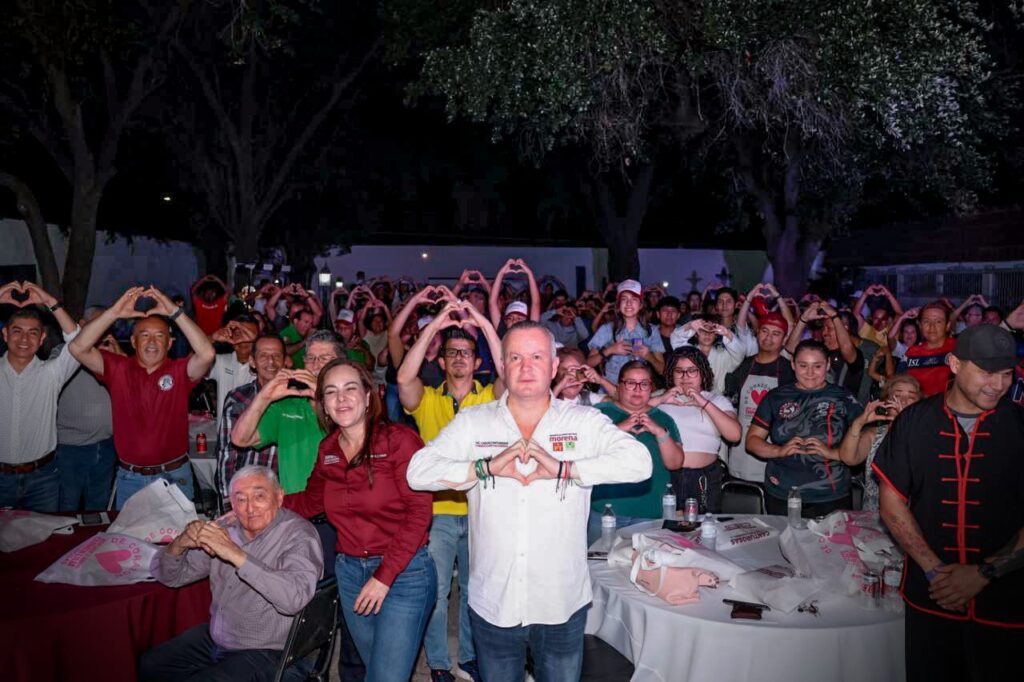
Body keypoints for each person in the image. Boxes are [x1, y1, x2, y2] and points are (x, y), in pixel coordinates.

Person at [406, 321, 652, 682]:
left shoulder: (582, 421)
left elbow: (639, 463)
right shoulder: (475, 422)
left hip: (560, 600)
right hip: (494, 600)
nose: (526, 367)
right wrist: (485, 467)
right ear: (502, 366)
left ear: (554, 367)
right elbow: (418, 471)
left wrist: (563, 469)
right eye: (516, 357)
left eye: (537, 356)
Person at [873, 324, 1024, 682]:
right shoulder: (913, 421)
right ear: (955, 364)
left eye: (1006, 374)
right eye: (987, 372)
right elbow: (891, 503)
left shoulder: (1020, 424)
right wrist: (935, 571)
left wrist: (985, 572)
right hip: (931, 599)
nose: (998, 384)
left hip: (1008, 602)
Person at [284, 360, 436, 682]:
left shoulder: (400, 441)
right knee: (378, 670)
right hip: (351, 574)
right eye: (331, 392)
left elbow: (419, 514)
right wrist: (264, 505)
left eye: (350, 388)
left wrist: (384, 576)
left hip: (405, 572)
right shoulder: (327, 450)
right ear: (323, 404)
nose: (341, 399)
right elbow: (310, 502)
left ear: (369, 396)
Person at [398, 300, 505, 682]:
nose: (459, 358)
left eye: (466, 353)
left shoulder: (491, 399)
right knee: (438, 592)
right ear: (440, 361)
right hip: (438, 512)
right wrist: (435, 326)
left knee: (480, 590)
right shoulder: (426, 400)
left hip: (482, 510)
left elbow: (508, 369)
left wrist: (482, 323)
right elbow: (403, 379)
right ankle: (440, 662)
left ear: (478, 362)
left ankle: (472, 658)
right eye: (451, 353)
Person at [139, 465, 323, 682]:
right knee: (151, 665)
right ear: (231, 504)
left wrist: (235, 554)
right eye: (241, 499)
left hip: (273, 650)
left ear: (279, 496)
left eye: (259, 496)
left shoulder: (299, 535)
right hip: (222, 637)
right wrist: (179, 545)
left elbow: (294, 599)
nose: (250, 508)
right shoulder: (226, 528)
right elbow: (172, 577)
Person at [69, 286, 216, 508]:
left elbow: (207, 353)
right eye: (144, 335)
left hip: (176, 475)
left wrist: (175, 311)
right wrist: (114, 313)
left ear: (169, 343)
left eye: (160, 336)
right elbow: (77, 347)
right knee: (129, 542)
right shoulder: (117, 368)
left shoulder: (180, 370)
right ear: (133, 341)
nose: (152, 342)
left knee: (178, 540)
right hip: (131, 478)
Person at [745, 340, 863, 517]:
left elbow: (865, 440)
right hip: (782, 492)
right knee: (783, 544)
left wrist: (835, 453)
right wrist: (778, 450)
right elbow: (752, 441)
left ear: (828, 365)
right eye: (803, 365)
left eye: (817, 366)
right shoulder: (776, 397)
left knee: (831, 545)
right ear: (793, 364)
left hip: (831, 494)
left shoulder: (844, 397)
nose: (810, 373)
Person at [0, 281, 80, 511]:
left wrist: (50, 302)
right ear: (5, 334)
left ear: (42, 338)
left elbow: (77, 340)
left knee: (45, 545)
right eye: (17, 331)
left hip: (42, 479)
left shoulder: (52, 373)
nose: (24, 339)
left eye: (32, 333)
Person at [231, 330, 341, 495]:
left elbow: (351, 433)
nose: (316, 365)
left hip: (340, 510)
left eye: (324, 358)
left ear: (340, 364)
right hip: (298, 510)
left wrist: (322, 394)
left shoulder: (350, 403)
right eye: (310, 358)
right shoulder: (288, 405)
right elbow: (241, 439)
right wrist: (265, 397)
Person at [587, 360, 685, 543]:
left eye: (644, 384)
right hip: (606, 512)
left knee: (646, 568)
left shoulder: (663, 418)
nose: (637, 389)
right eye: (631, 383)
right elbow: (584, 454)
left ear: (651, 388)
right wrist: (618, 429)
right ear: (619, 386)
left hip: (650, 512)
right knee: (598, 566)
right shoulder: (599, 414)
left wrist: (659, 432)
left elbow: (675, 463)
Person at [650, 348, 740, 514]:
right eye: (679, 371)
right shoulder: (660, 397)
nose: (685, 377)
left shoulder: (716, 400)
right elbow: (632, 417)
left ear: (703, 373)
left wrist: (703, 403)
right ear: (671, 374)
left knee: (704, 530)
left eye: (692, 371)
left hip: (704, 477)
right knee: (665, 529)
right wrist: (661, 399)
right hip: (666, 475)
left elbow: (734, 435)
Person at [56, 306, 119, 512]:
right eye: (98, 325)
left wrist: (118, 354)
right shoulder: (63, 355)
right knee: (67, 509)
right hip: (70, 449)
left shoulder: (113, 357)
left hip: (106, 446)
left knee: (98, 511)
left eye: (107, 326)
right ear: (82, 326)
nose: (102, 331)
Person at [723, 312, 795, 484]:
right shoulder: (744, 365)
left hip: (773, 453)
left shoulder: (789, 371)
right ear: (757, 333)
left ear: (784, 339)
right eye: (764, 331)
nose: (768, 338)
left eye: (776, 333)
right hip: (740, 452)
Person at [831, 374, 921, 511]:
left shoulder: (926, 434)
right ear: (886, 402)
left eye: (911, 397)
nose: (903, 401)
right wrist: (858, 423)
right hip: (875, 516)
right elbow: (848, 458)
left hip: (913, 516)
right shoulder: (874, 434)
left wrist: (904, 424)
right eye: (897, 395)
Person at [216, 334, 285, 509]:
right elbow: (226, 454)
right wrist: (228, 501)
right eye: (264, 356)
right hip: (247, 495)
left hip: (286, 494)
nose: (271, 361)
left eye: (277, 356)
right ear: (252, 362)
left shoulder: (297, 399)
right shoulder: (239, 398)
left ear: (284, 360)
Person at [587, 279, 666, 384]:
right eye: (624, 299)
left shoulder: (651, 331)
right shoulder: (607, 329)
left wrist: (649, 356)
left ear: (641, 305)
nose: (629, 303)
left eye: (634, 299)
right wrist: (610, 350)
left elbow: (662, 370)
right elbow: (588, 364)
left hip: (639, 390)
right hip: (611, 388)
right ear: (619, 305)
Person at [785, 300, 864, 393]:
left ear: (844, 328)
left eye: (829, 328)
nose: (824, 332)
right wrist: (803, 319)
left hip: (840, 405)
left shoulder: (853, 354)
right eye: (823, 328)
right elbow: (790, 348)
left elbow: (846, 348)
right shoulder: (820, 350)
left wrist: (835, 316)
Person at [669, 314, 746, 394]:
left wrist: (727, 334)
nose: (707, 334)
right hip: (687, 396)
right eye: (703, 330)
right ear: (695, 334)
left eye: (711, 330)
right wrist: (690, 326)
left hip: (714, 400)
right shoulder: (688, 353)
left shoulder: (723, 356)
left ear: (716, 334)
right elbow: (675, 339)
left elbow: (740, 353)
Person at [207, 316, 260, 429]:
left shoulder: (264, 367)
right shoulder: (221, 362)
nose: (243, 340)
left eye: (248, 334)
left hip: (255, 438)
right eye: (238, 334)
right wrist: (213, 338)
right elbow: (191, 363)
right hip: (225, 437)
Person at [903, 302, 955, 397]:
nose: (932, 327)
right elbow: (900, 383)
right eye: (926, 321)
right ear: (920, 325)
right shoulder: (912, 353)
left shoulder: (958, 348)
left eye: (938, 321)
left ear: (947, 325)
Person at [853, 284, 903, 349]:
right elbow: (855, 314)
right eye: (876, 318)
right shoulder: (866, 330)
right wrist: (865, 294)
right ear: (871, 318)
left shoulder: (891, 331)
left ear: (887, 320)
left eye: (883, 318)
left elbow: (900, 314)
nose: (880, 321)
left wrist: (888, 295)